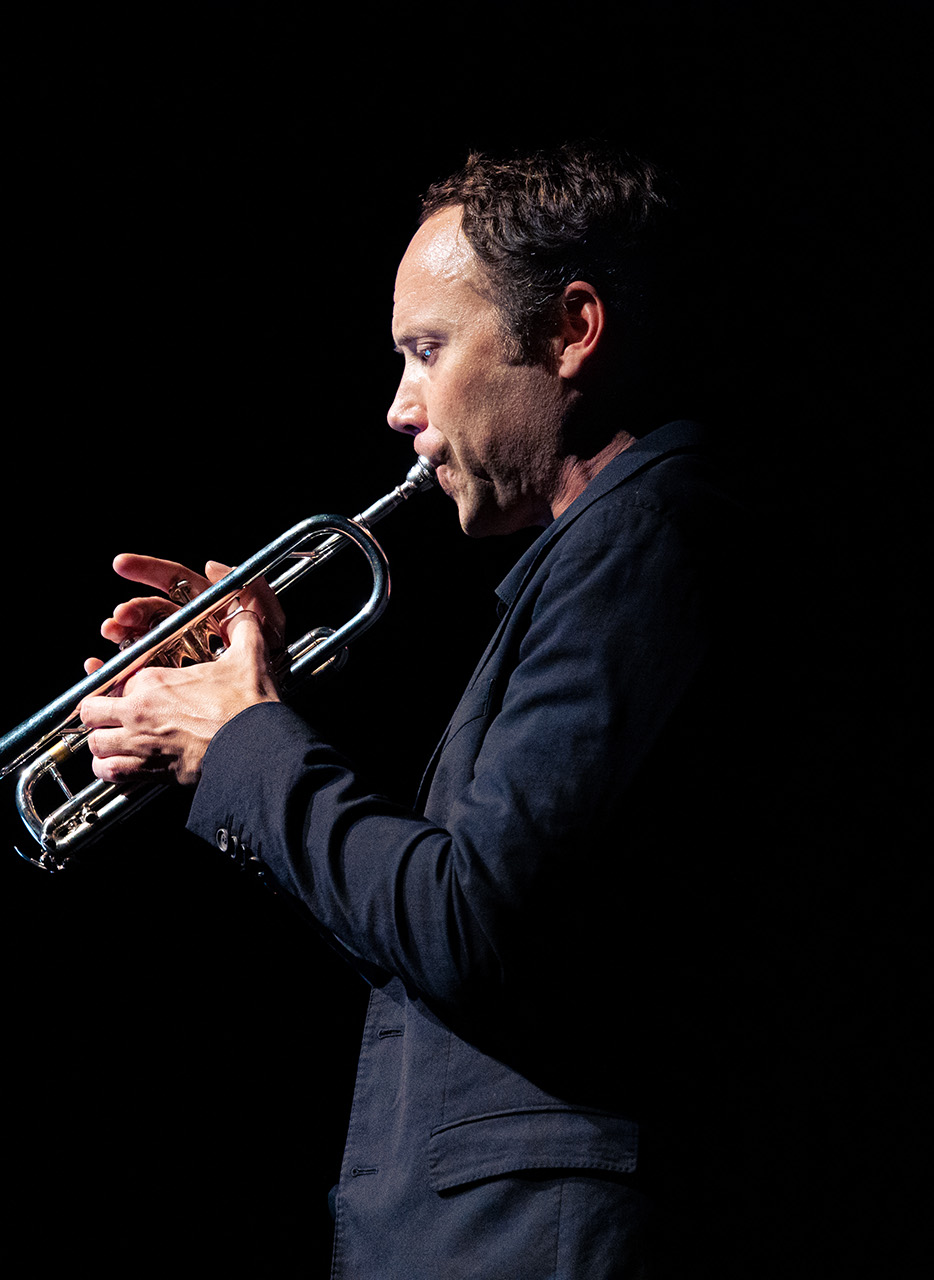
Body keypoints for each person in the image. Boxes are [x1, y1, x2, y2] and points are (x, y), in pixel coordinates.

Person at [76, 145, 781, 1277]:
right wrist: (254, 715)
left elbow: (469, 925)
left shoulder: (651, 536)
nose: (400, 405)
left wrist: (246, 738)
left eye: (427, 350)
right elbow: (435, 943)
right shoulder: (604, 554)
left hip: (535, 1233)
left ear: (571, 329)